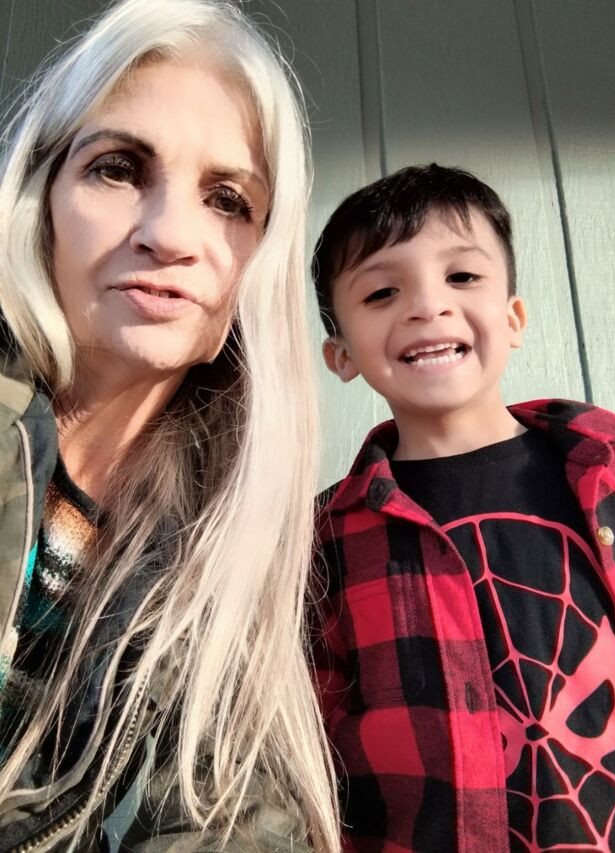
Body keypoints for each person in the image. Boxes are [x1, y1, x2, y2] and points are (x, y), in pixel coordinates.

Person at [0, 0, 340, 850]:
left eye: (228, 199)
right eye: (117, 169)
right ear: (41, 200)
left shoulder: (225, 558)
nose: (170, 235)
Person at [310, 163, 615, 852]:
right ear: (340, 354)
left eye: (461, 276)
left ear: (513, 319)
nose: (428, 305)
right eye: (382, 291)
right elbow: (310, 749)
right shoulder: (323, 542)